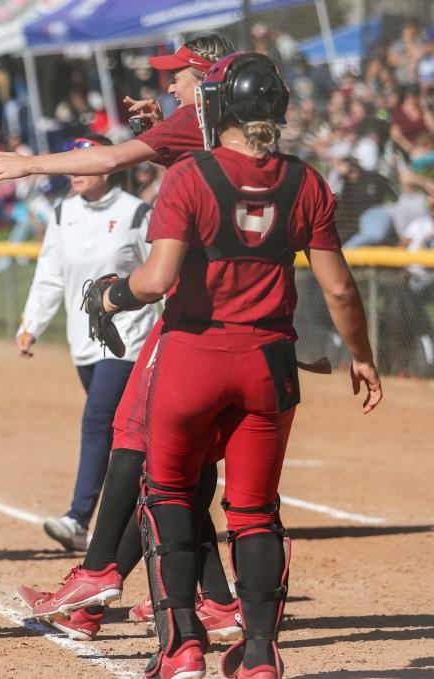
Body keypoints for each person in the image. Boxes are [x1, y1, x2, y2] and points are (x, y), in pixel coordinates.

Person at [99, 52, 381, 679]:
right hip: (267, 363)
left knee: (169, 493)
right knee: (254, 511)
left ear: (219, 106)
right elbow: (339, 290)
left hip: (193, 356)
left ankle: (181, 647)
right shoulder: (306, 181)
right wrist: (361, 356)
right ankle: (258, 654)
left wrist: (114, 293)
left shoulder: (191, 175)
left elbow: (157, 279)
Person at [0, 34, 243, 642]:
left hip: (192, 323)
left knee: (134, 444)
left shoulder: (187, 132)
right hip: (242, 322)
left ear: (207, 79)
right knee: (180, 468)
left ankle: (97, 575)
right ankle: (207, 602)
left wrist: (28, 164)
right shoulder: (241, 137)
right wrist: (167, 135)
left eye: (178, 77)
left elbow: (107, 161)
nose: (167, 87)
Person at [16, 133, 158, 560]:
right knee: (125, 434)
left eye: (84, 162)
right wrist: (31, 324)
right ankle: (146, 514)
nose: (73, 171)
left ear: (109, 166)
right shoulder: (64, 212)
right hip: (84, 340)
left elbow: (161, 272)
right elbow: (50, 273)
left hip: (129, 339)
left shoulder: (136, 213)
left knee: (97, 421)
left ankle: (79, 519)